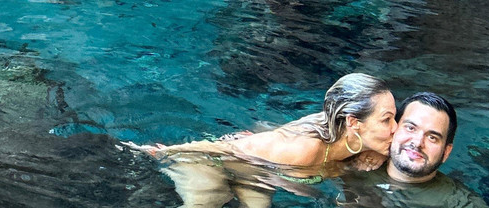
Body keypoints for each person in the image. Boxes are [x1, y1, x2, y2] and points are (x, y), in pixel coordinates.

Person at [127, 73, 397, 208]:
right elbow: (230, 149)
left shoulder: (351, 137)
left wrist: (372, 155)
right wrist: (167, 152)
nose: (397, 128)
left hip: (255, 174)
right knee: (213, 197)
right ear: (352, 122)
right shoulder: (305, 147)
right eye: (387, 120)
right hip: (212, 161)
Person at [337, 92, 488, 207]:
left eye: (432, 137)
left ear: (446, 152)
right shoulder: (350, 163)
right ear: (393, 129)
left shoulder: (462, 204)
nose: (417, 143)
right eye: (410, 128)